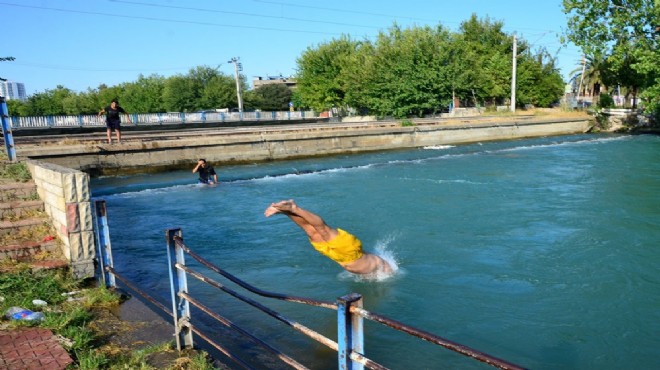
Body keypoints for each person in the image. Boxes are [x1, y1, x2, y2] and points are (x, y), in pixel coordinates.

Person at [264, 199, 393, 276]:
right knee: (323, 230)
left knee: (310, 231)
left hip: (339, 256)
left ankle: (285, 211)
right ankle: (295, 208)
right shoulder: (384, 268)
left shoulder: (376, 262)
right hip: (350, 252)